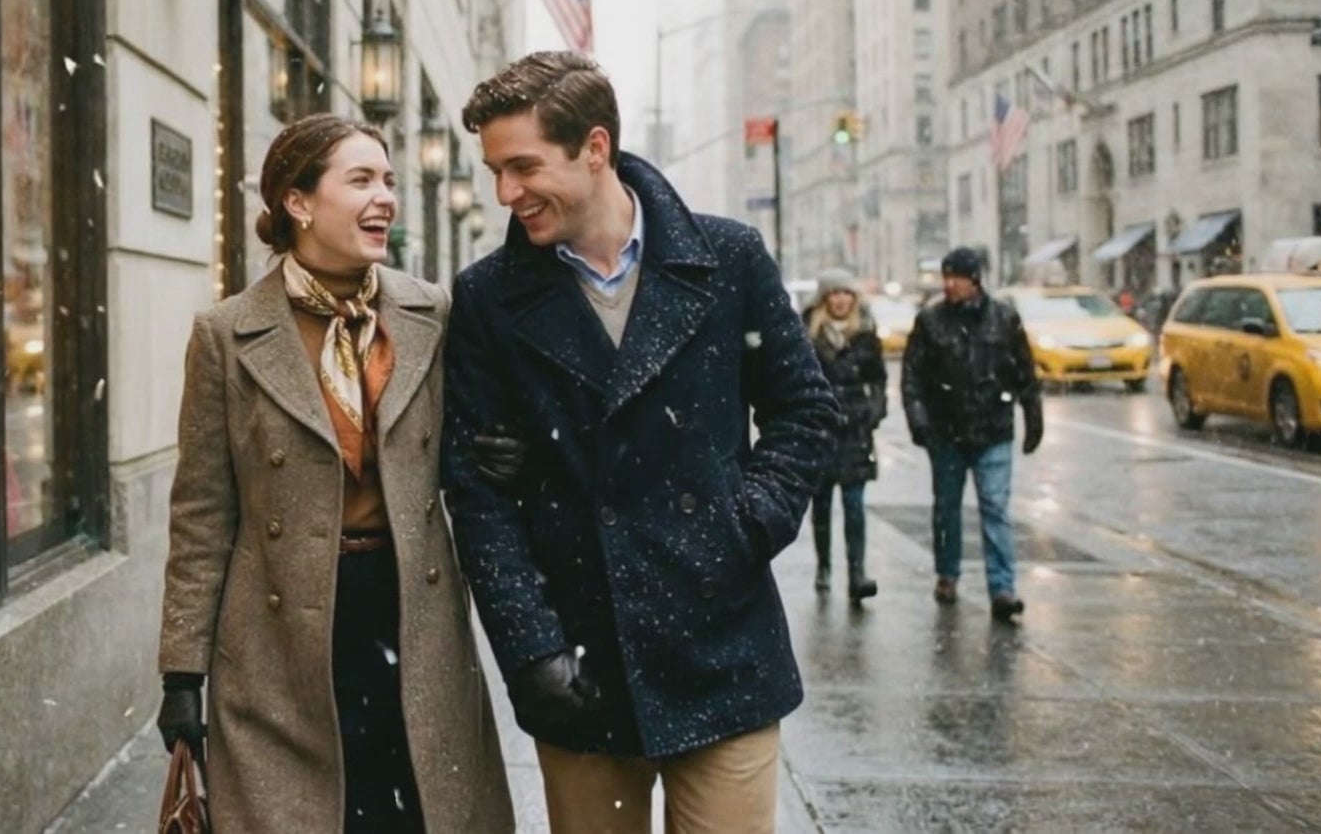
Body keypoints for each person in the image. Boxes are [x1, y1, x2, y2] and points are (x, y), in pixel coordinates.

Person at [442, 51, 838, 834]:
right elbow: (477, 492)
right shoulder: (488, 297)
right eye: (494, 171)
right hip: (580, 665)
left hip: (722, 649)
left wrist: (744, 522)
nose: (505, 194)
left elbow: (805, 413)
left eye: (523, 167)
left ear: (595, 147)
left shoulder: (728, 259)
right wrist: (532, 649)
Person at [156, 114, 513, 833]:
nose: (385, 198)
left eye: (388, 180)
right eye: (361, 181)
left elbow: (467, 452)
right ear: (298, 202)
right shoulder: (226, 334)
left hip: (411, 613)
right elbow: (202, 513)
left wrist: (502, 454)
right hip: (278, 634)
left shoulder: (431, 314)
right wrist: (182, 672)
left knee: (412, 811)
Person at [900, 247, 1043, 622]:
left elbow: (1025, 373)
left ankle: (1002, 587)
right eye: (946, 277)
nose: (950, 284)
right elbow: (913, 376)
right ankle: (947, 574)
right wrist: (919, 421)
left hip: (993, 429)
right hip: (946, 432)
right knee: (947, 509)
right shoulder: (931, 321)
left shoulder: (1004, 319)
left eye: (958, 278)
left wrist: (1033, 416)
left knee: (995, 508)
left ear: (975, 280)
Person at [803, 269, 888, 603]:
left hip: (855, 430)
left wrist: (873, 413)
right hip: (821, 430)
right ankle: (823, 567)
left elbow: (878, 380)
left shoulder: (865, 334)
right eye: (834, 293)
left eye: (846, 293)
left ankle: (857, 573)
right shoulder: (809, 335)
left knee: (854, 505)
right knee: (821, 505)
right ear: (824, 299)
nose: (840, 300)